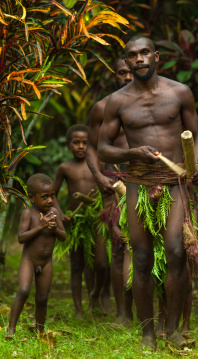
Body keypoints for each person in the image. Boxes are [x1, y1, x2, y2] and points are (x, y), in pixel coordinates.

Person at [97, 35, 198, 350]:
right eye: (132, 55)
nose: (139, 59)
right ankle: (148, 334)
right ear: (127, 63)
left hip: (174, 183)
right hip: (138, 183)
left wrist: (196, 163)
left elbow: (197, 137)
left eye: (145, 53)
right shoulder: (118, 101)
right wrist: (132, 154)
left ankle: (171, 328)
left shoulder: (179, 93)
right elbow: (103, 149)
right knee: (142, 258)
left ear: (156, 56)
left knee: (176, 251)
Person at [86, 55, 134, 327]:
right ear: (114, 75)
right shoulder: (102, 108)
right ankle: (123, 314)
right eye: (121, 72)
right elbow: (93, 148)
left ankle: (158, 315)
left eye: (130, 72)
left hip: (148, 181)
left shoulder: (153, 105)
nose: (126, 77)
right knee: (119, 246)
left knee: (152, 247)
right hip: (115, 183)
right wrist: (100, 178)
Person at [54, 124, 111, 319]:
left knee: (101, 263)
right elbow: (51, 194)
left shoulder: (99, 166)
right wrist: (61, 214)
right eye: (76, 143)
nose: (81, 146)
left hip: (98, 218)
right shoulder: (65, 168)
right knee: (77, 264)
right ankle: (79, 308)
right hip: (75, 220)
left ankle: (96, 294)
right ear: (68, 145)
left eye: (85, 143)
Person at [7, 173, 66, 336]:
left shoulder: (54, 213)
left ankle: (40, 331)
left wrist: (55, 229)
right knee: (24, 290)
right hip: (29, 260)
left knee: (42, 298)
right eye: (44, 197)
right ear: (32, 197)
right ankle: (11, 329)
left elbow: (63, 237)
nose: (50, 200)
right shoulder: (28, 214)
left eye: (52, 196)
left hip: (46, 263)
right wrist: (40, 226)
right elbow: (21, 238)